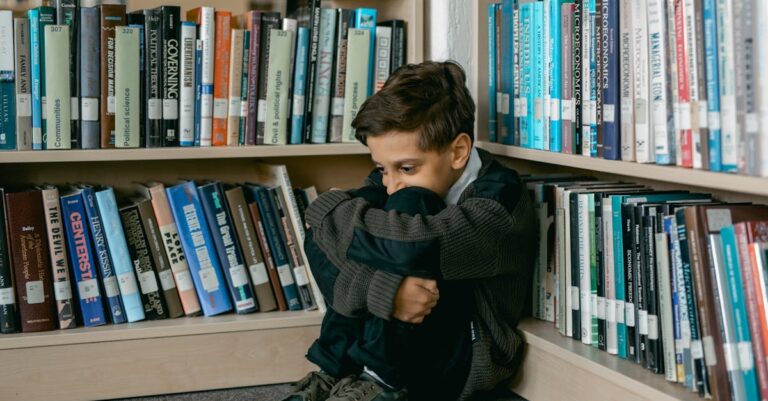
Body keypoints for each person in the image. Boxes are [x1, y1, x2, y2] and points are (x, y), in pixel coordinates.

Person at [282, 60, 537, 401]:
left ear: (458, 151)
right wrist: (388, 295)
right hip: (404, 345)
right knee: (373, 237)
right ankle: (339, 372)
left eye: (405, 167)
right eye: (380, 168)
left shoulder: (500, 200)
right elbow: (316, 238)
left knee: (404, 212)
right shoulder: (394, 178)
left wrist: (331, 213)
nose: (390, 183)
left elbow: (412, 246)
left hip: (464, 356)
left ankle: (382, 381)